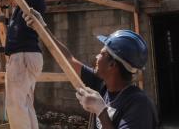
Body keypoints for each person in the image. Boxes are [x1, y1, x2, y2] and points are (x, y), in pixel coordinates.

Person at [24, 11, 158, 128]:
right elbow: (68, 59)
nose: (96, 56)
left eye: (102, 54)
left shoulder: (138, 105)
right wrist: (42, 28)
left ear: (112, 65)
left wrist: (101, 112)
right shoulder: (102, 86)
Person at [3, 0, 54, 129]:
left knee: (15, 105)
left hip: (23, 56)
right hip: (28, 56)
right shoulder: (26, 2)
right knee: (25, 104)